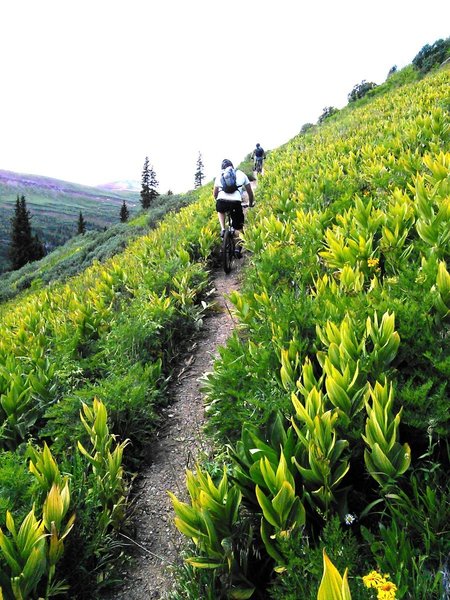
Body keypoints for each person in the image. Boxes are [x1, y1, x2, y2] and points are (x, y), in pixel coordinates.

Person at [213, 159, 254, 258]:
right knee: (238, 227)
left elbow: (215, 193)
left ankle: (223, 229)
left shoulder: (220, 175)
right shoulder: (241, 174)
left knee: (220, 210)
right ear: (232, 166)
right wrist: (251, 203)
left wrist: (217, 200)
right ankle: (237, 249)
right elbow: (249, 191)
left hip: (221, 201)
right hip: (235, 203)